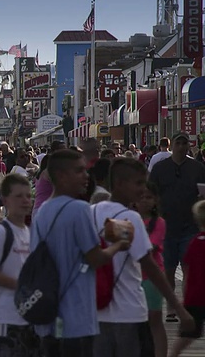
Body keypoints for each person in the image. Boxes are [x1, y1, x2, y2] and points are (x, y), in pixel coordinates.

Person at [91, 158, 193, 357]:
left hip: (96, 309)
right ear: (120, 183)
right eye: (138, 183)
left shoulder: (91, 212)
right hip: (128, 311)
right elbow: (151, 266)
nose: (142, 189)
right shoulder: (132, 218)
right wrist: (179, 309)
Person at [34, 149, 131, 357]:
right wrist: (117, 245)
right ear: (61, 176)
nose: (86, 176)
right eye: (79, 171)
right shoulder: (78, 209)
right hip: (75, 315)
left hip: (48, 313)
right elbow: (95, 257)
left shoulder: (42, 211)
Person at [0, 174, 39, 355]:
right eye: (18, 196)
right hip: (6, 318)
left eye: (28, 196)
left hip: (29, 319)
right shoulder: (1, 232)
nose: (25, 201)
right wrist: (20, 285)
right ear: (5, 200)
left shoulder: (28, 233)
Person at [150, 131, 205, 323]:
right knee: (169, 270)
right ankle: (171, 309)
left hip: (190, 225)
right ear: (172, 145)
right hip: (167, 226)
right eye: (178, 143)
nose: (181, 146)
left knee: (189, 270)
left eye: (184, 143)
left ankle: (188, 308)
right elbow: (152, 193)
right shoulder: (160, 168)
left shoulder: (197, 168)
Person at [135, 181, 168, 357]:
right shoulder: (128, 219)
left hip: (152, 276)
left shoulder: (159, 222)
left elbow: (151, 246)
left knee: (154, 319)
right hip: (132, 276)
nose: (145, 201)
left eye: (149, 197)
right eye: (141, 197)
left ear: (156, 200)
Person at [170, 200, 205, 356]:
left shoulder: (194, 242)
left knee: (186, 335)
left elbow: (188, 272)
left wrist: (186, 298)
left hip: (195, 297)